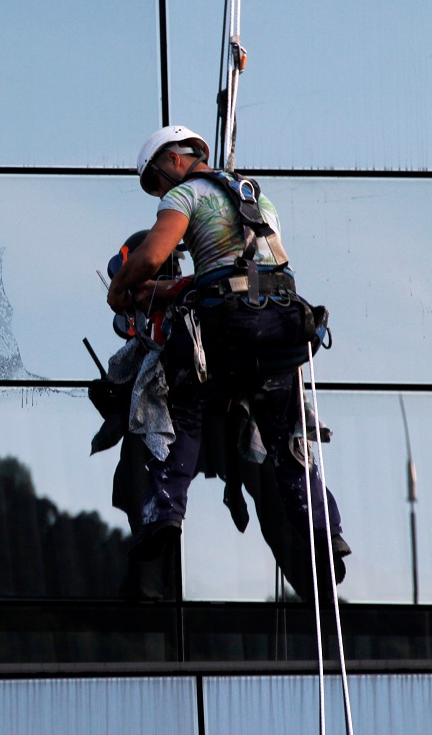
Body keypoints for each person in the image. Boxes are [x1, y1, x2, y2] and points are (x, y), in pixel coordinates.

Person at [105, 124, 349, 600]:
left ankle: (164, 517)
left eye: (155, 180)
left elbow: (152, 256)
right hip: (284, 326)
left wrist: (121, 290)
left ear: (175, 159)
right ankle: (327, 532)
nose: (157, 192)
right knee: (286, 440)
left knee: (181, 406)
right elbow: (234, 268)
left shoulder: (186, 195)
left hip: (233, 329)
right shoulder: (256, 199)